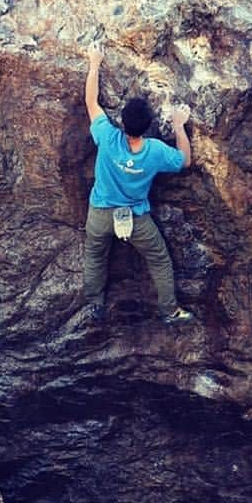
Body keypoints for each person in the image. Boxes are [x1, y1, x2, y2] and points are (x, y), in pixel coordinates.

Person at [82, 43, 194, 324]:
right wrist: (179, 126)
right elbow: (185, 161)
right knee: (159, 259)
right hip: (134, 218)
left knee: (95, 256)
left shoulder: (107, 138)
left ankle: (94, 305)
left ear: (121, 121)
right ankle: (169, 310)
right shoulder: (155, 151)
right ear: (147, 126)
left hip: (100, 213)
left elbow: (91, 102)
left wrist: (94, 63)